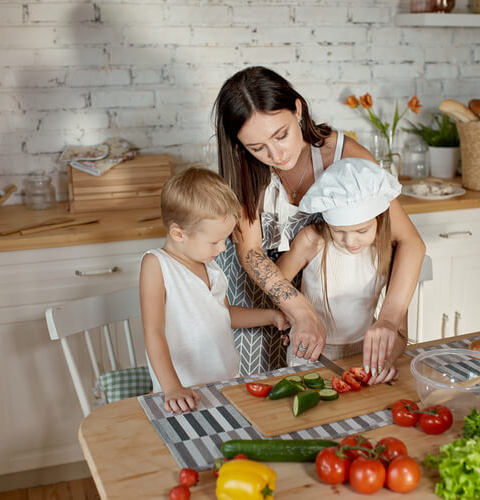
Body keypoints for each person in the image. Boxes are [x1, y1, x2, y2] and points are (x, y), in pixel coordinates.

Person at [213, 65, 425, 376]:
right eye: (257, 148)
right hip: (255, 311)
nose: (276, 154)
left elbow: (408, 241)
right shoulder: (243, 170)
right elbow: (251, 253)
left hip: (337, 325)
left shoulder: (348, 160)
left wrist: (391, 318)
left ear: (298, 109)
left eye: (281, 135)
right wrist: (298, 310)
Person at [140, 168, 289, 413]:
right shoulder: (157, 265)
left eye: (225, 239)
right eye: (214, 241)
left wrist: (270, 316)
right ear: (179, 233)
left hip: (223, 382)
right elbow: (153, 331)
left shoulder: (211, 265)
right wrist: (172, 388)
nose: (222, 248)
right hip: (181, 394)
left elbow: (224, 314)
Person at [277, 158, 409, 384]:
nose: (350, 241)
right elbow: (275, 284)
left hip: (364, 352)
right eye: (338, 231)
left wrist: (387, 359)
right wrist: (291, 316)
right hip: (310, 352)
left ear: (380, 219)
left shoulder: (390, 252)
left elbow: (400, 332)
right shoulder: (313, 239)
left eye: (362, 230)